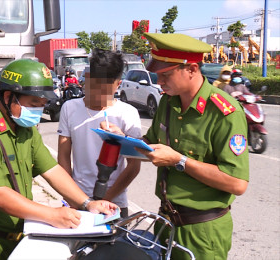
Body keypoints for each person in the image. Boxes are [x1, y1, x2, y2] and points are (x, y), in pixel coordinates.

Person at [0, 59, 118, 259]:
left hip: (14, 237)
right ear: (9, 96)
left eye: (42, 105)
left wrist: (87, 203)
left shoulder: (25, 129)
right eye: (34, 104)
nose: (38, 112)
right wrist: (52, 215)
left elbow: (52, 170)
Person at [105, 33, 249, 259]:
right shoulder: (168, 102)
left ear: (191, 69)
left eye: (166, 75)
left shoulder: (224, 113)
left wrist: (180, 161)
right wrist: (122, 138)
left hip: (202, 232)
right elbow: (151, 144)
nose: (159, 82)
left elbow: (237, 183)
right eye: (157, 75)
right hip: (166, 223)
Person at [58, 49, 141, 218]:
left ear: (118, 84)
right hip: (77, 201)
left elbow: (134, 166)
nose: (101, 96)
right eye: (96, 88)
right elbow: (64, 156)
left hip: (113, 205)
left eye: (107, 90)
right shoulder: (70, 108)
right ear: (88, 79)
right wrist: (72, 197)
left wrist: (105, 200)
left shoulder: (127, 113)